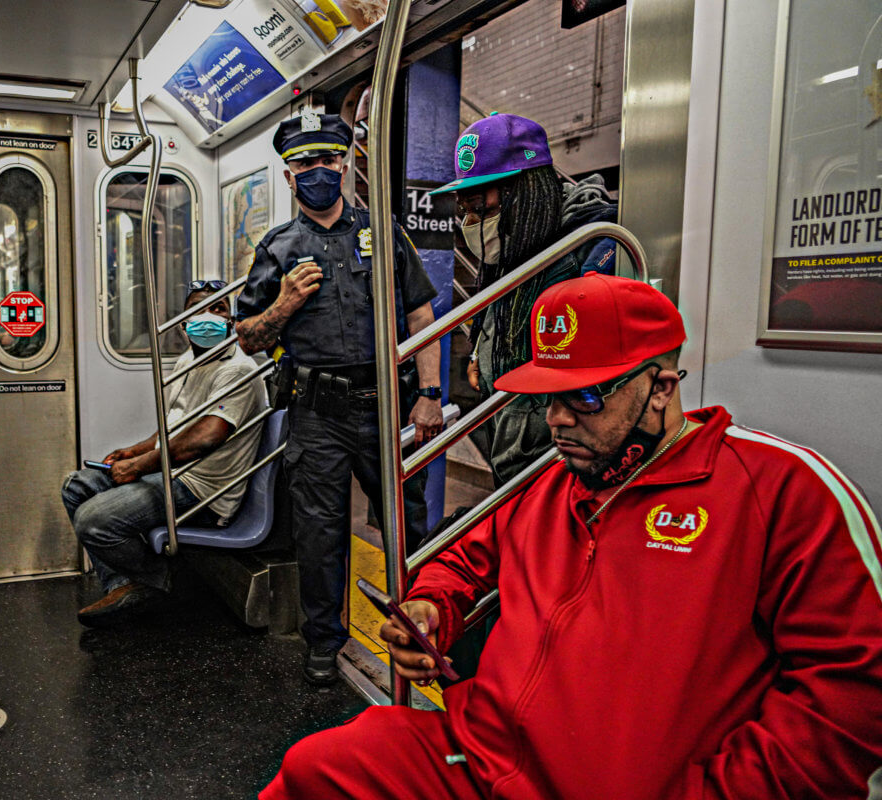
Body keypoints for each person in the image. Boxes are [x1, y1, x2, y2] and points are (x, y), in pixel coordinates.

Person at [260, 272, 882, 799]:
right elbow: (465, 558)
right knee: (313, 769)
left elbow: (852, 694)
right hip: (481, 758)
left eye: (584, 397)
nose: (557, 420)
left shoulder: (779, 491)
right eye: (549, 397)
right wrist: (432, 605)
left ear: (660, 389)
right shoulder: (557, 486)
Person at [236, 110, 444, 685]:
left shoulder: (383, 231)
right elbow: (249, 336)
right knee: (319, 535)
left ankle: (425, 629)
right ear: (289, 175)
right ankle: (325, 643)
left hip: (385, 405)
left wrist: (429, 393)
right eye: (305, 162)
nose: (319, 171)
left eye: (328, 159)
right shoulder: (278, 248)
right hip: (317, 411)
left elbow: (421, 311)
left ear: (345, 163)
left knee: (410, 526)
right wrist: (284, 304)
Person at [430, 112, 618, 485]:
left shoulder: (592, 250)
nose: (472, 223)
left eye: (482, 210)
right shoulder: (518, 245)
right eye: (465, 211)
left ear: (527, 191)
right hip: (513, 447)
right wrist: (481, 353)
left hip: (563, 463)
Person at [64, 282, 267, 626]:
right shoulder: (190, 360)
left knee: (93, 521)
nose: (208, 316)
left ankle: (158, 581)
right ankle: (123, 584)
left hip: (203, 489)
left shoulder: (238, 370)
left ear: (232, 320)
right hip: (174, 472)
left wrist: (139, 465)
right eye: (198, 309)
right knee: (76, 487)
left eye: (218, 309)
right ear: (184, 322)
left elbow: (203, 439)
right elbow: (175, 424)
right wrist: (137, 449)